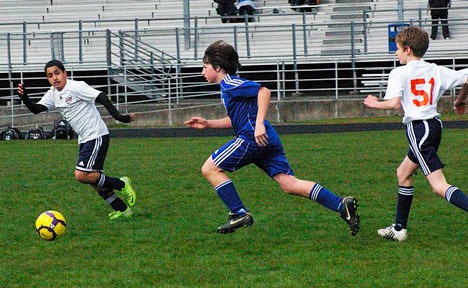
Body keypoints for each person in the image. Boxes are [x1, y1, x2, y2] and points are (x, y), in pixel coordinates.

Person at [184, 40, 360, 235]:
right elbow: (236, 120)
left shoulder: (229, 83)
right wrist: (208, 123)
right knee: (289, 184)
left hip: (252, 138)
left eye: (204, 66)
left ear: (217, 68)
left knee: (209, 168)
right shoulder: (228, 88)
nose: (202, 72)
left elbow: (264, 91)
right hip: (266, 138)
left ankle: (238, 213)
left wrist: (259, 123)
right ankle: (341, 204)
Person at [363, 26, 468, 241]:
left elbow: (393, 104)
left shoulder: (399, 73)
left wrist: (374, 103)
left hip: (419, 128)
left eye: (398, 49)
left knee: (439, 186)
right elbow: (466, 78)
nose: (396, 53)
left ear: (408, 50)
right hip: (434, 126)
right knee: (403, 173)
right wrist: (461, 99)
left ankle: (400, 229)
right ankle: (399, 229)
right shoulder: (436, 69)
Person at [17, 59, 137, 220]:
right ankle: (122, 209)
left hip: (96, 135)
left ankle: (122, 184)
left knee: (81, 175)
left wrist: (119, 117)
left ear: (65, 73)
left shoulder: (76, 87)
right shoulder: (53, 93)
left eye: (57, 73)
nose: (54, 78)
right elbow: (37, 109)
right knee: (93, 180)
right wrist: (24, 97)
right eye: (50, 76)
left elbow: (100, 96)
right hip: (84, 139)